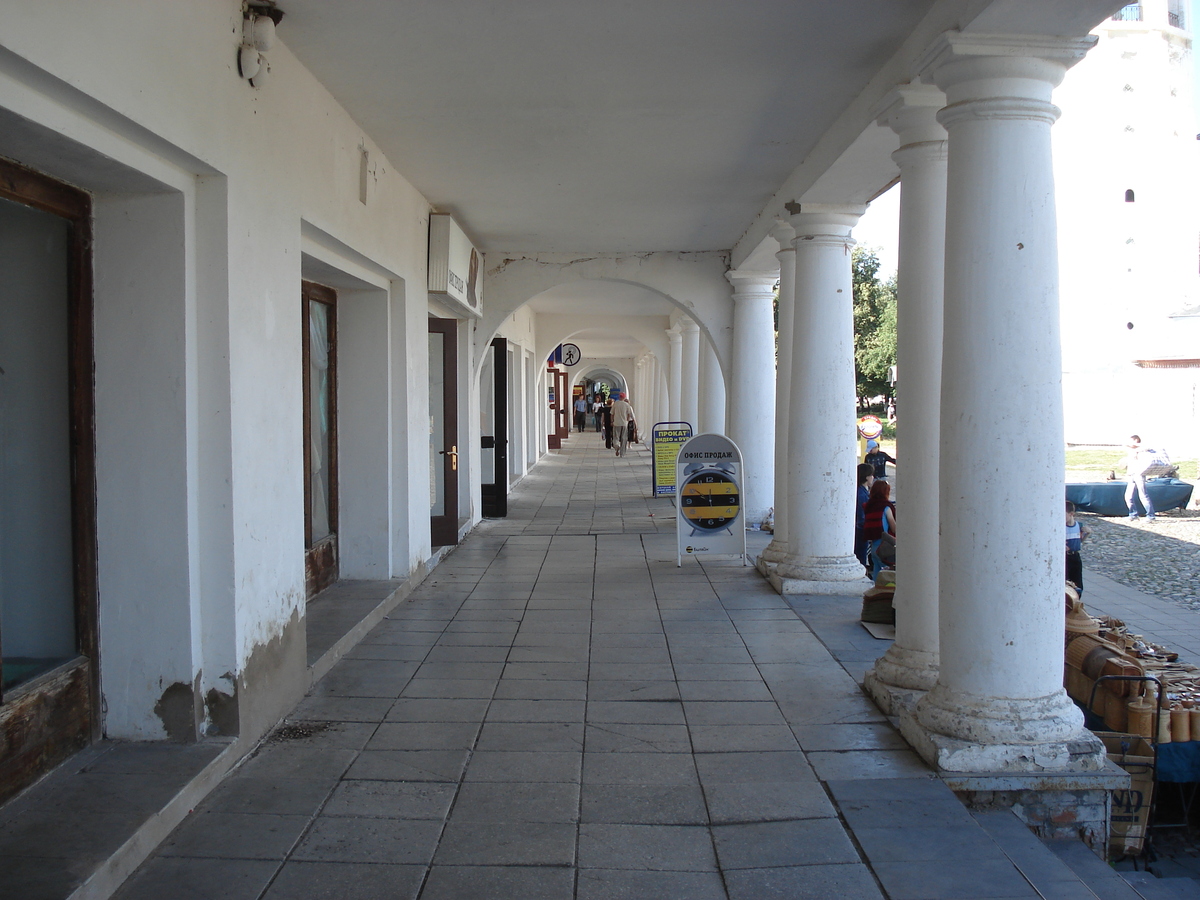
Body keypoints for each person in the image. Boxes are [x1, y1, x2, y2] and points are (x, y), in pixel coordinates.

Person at [862, 479, 897, 581]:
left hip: (873, 547)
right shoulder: (886, 507)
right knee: (889, 574)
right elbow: (894, 528)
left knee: (877, 576)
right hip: (885, 547)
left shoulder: (869, 506)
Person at [1122, 434, 1157, 522]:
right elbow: (1125, 445)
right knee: (1128, 496)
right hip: (1131, 474)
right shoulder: (1131, 450)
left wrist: (1137, 445)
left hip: (1139, 474)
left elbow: (1148, 447)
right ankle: (1133, 514)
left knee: (1143, 495)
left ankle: (1151, 516)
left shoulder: (1143, 450)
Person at [1065, 501, 1091, 595]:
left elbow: (1079, 542)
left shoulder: (1078, 526)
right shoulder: (1061, 527)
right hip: (1065, 557)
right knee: (1066, 580)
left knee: (1077, 581)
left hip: (1075, 555)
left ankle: (1076, 600)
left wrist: (1087, 534)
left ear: (1071, 514)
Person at [854, 463, 875, 575]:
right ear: (867, 477)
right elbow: (862, 516)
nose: (873, 477)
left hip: (858, 529)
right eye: (871, 475)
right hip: (861, 531)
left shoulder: (860, 491)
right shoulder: (862, 494)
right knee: (860, 556)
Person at [610, 391, 636, 457]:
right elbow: (629, 414)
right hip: (624, 423)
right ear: (624, 397)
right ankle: (622, 453)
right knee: (624, 438)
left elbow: (612, 414)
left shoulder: (615, 404)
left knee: (616, 437)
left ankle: (616, 446)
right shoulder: (627, 405)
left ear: (619, 397)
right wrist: (627, 420)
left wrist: (612, 421)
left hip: (616, 423)